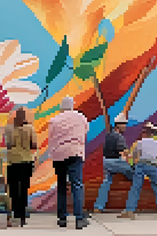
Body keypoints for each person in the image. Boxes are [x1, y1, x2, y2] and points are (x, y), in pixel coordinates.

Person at [48, 96, 89, 230]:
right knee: (76, 185)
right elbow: (85, 131)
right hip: (75, 153)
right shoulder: (80, 117)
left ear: (61, 106)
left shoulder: (54, 120)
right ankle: (79, 218)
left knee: (61, 185)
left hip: (59, 155)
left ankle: (62, 218)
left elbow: (51, 137)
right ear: (72, 106)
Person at [119, 122, 157, 220]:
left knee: (136, 187)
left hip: (141, 165)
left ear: (144, 133)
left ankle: (129, 210)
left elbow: (135, 156)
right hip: (153, 165)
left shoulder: (139, 143)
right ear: (152, 134)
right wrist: (154, 156)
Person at [93, 112, 134, 213]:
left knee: (106, 182)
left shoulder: (109, 135)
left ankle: (98, 206)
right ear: (118, 125)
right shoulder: (119, 137)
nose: (125, 126)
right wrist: (133, 155)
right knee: (134, 174)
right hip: (115, 162)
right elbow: (123, 152)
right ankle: (132, 205)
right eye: (123, 124)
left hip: (106, 161)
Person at [5, 107, 37, 227]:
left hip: (12, 161)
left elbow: (7, 144)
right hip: (26, 161)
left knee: (13, 189)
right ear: (24, 117)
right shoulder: (30, 128)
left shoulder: (8, 129)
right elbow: (33, 144)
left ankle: (15, 213)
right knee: (23, 188)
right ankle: (22, 216)